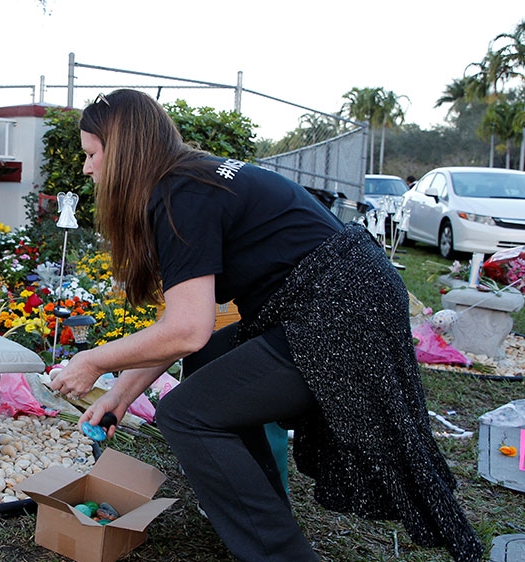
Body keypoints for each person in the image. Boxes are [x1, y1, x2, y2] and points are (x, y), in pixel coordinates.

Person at [50, 89, 481, 562]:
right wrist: (119, 396)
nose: (88, 169)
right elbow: (187, 329)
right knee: (209, 359)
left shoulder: (180, 195)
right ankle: (262, 516)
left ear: (124, 150)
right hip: (336, 301)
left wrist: (91, 360)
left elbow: (185, 329)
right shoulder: (193, 179)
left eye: (92, 154)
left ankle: (280, 555)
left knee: (187, 415)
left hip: (337, 314)